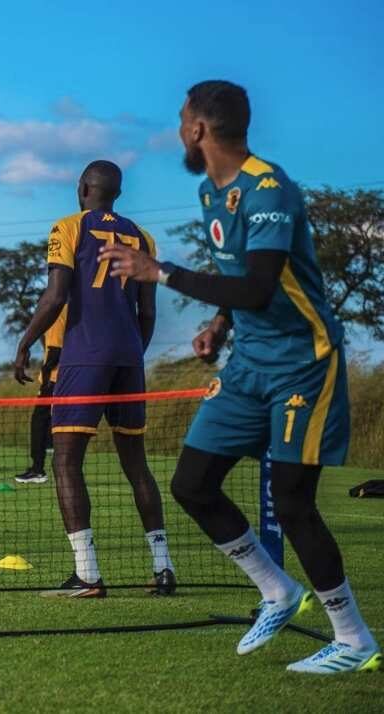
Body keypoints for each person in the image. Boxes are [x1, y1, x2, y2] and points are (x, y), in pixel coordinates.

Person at [103, 80, 379, 674]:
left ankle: (354, 639)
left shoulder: (268, 188)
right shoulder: (211, 191)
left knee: (293, 501)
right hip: (248, 362)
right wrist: (219, 325)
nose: (179, 130)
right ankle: (277, 591)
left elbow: (259, 285)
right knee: (192, 484)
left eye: (182, 120)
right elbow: (241, 281)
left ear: (199, 128)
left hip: (303, 362)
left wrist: (160, 271)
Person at [15, 160, 176, 598]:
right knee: (136, 464)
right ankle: (163, 567)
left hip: (84, 357)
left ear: (83, 187)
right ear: (116, 194)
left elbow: (56, 296)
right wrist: (132, 354)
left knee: (65, 462)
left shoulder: (67, 227)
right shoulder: (143, 237)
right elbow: (148, 312)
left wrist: (25, 342)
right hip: (129, 359)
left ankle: (87, 574)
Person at [14, 307, 65, 485]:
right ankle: (48, 460)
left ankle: (37, 470)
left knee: (39, 422)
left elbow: (56, 350)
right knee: (50, 423)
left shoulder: (58, 309)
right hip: (62, 377)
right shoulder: (63, 309)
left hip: (56, 379)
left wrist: (46, 376)